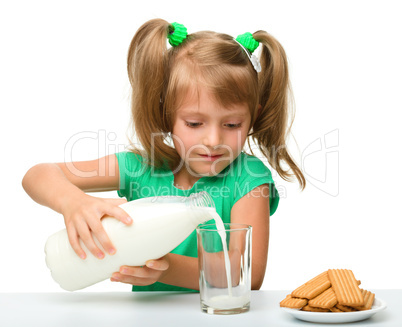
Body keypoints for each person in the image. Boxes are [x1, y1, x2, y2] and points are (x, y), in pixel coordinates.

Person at [22, 18, 305, 292]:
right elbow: (37, 175)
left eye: (232, 125)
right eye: (194, 124)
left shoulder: (248, 178)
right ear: (165, 113)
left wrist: (165, 267)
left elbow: (248, 273)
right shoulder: (141, 168)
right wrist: (73, 202)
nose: (214, 140)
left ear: (252, 117)